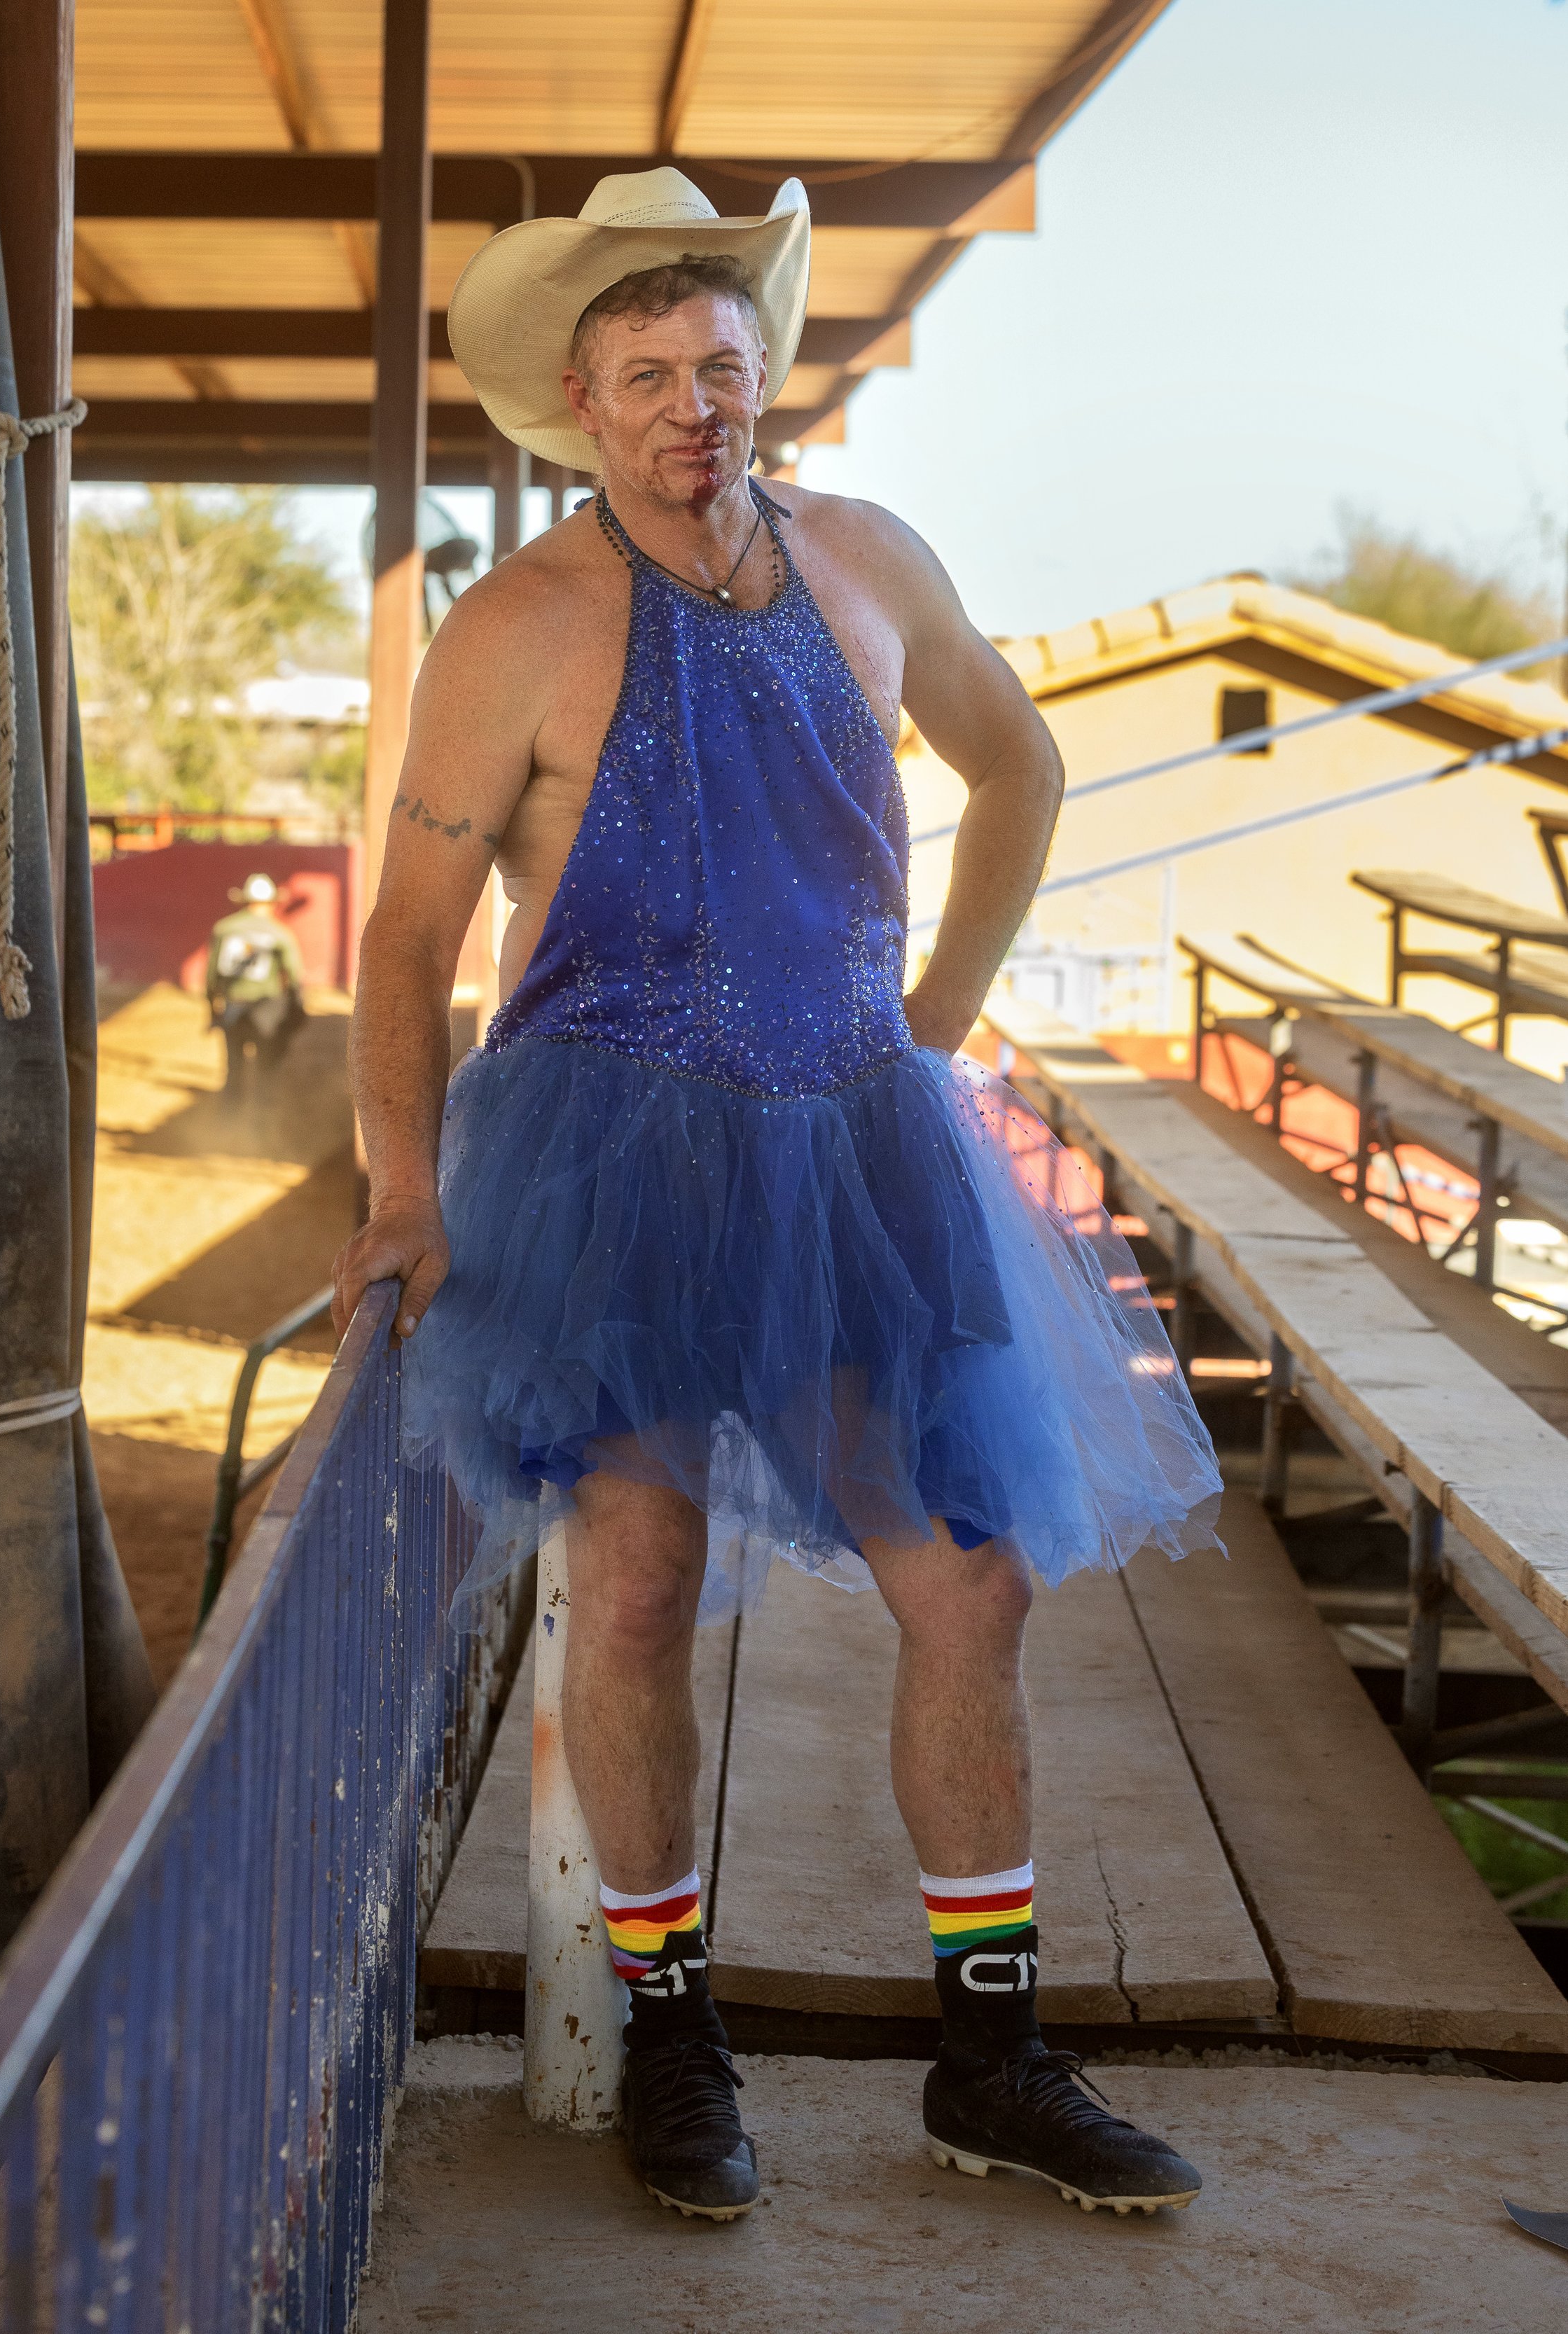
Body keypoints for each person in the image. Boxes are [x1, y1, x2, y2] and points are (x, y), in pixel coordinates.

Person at [333, 168, 1222, 2225]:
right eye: (643, 374)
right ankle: (668, 2032)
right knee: (632, 1589)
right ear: (577, 397)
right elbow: (402, 941)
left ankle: (986, 2054)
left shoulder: (864, 561)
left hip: (855, 1145)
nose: (688, 405)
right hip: (605, 1164)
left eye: (716, 363)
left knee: (965, 1582)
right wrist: (399, 1181)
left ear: (764, 369)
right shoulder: (520, 623)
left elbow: (1017, 770)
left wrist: (931, 1012)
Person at [206, 873, 306, 1103]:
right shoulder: (280, 934)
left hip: (233, 1006)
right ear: (271, 903)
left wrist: (212, 1010)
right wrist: (297, 1009)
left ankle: (229, 1123)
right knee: (266, 1068)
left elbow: (211, 978)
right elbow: (293, 977)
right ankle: (261, 1124)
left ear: (245, 901)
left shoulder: (224, 929)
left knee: (234, 1069)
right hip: (268, 1009)